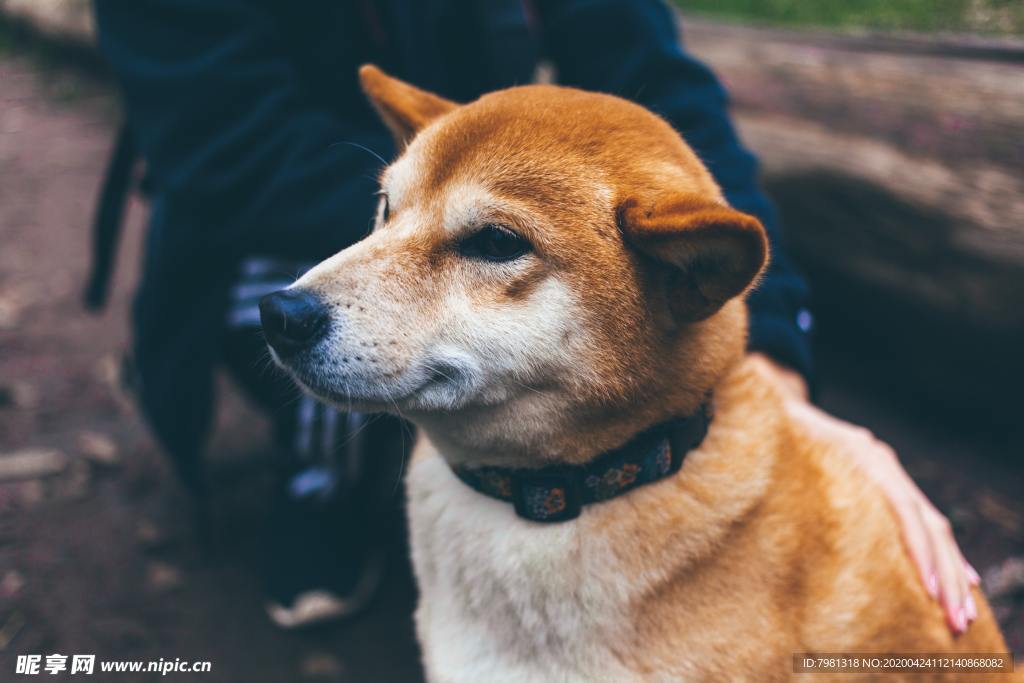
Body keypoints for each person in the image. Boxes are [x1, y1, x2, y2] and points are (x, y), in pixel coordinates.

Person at [89, 0, 978, 633]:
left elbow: (661, 89)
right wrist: (446, 193)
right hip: (262, 215)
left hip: (476, 174)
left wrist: (775, 359)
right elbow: (229, 150)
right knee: (309, 306)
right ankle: (316, 478)